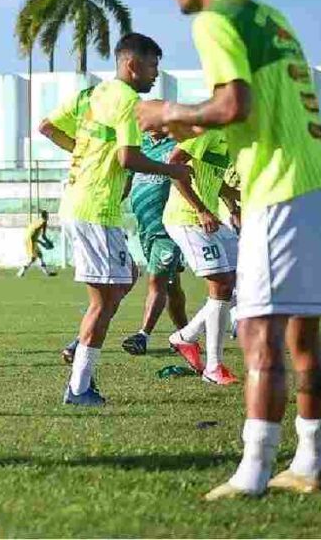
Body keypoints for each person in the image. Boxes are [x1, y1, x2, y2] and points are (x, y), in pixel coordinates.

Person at [138, 0, 321, 498]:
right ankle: (308, 465)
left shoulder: (218, 18)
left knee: (257, 331)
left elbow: (233, 103)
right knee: (302, 336)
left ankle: (252, 474)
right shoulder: (269, 16)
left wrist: (168, 113)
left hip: (283, 191)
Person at [41, 32, 191, 406]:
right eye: (153, 65)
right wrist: (173, 172)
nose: (156, 73)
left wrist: (84, 152)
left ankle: (80, 357)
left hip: (81, 202)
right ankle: (78, 387)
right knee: (104, 302)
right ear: (132, 64)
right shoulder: (127, 101)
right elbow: (129, 159)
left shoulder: (93, 94)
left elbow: (47, 126)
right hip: (95, 208)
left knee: (124, 280)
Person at [162, 128, 240, 385]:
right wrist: (201, 209)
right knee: (221, 284)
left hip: (210, 219)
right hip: (188, 219)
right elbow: (173, 164)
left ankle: (186, 337)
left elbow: (218, 183)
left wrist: (235, 205)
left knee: (243, 280)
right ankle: (213, 368)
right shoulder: (207, 130)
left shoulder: (232, 137)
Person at [120, 130, 189, 356]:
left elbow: (186, 174)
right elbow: (127, 182)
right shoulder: (140, 146)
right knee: (171, 285)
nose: (145, 123)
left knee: (156, 280)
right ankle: (185, 336)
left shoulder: (179, 142)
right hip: (145, 227)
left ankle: (142, 336)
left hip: (167, 225)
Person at [17, 210, 56, 277]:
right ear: (46, 216)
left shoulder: (38, 221)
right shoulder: (43, 222)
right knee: (32, 258)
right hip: (30, 239)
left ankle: (46, 272)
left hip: (28, 238)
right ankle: (21, 272)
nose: (48, 217)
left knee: (40, 255)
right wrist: (47, 242)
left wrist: (42, 243)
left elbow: (33, 232)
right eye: (47, 215)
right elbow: (43, 236)